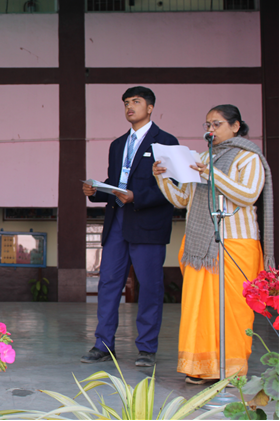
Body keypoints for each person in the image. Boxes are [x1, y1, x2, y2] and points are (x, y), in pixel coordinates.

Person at [153, 104, 275, 384]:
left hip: (236, 242)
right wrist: (162, 176)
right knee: (199, 309)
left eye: (216, 124)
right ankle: (200, 367)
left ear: (235, 126)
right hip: (200, 244)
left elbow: (247, 195)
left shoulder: (249, 157)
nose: (210, 130)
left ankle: (231, 369)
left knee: (233, 310)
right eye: (207, 125)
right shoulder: (202, 158)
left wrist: (209, 173)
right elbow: (183, 199)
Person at [81, 86, 179, 367]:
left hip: (148, 223)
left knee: (150, 286)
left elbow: (173, 187)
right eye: (126, 102)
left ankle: (146, 348)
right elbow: (117, 183)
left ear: (150, 108)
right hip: (117, 221)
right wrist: (96, 192)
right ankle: (103, 345)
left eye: (136, 102)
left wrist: (138, 197)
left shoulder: (166, 142)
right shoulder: (117, 145)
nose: (129, 107)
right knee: (108, 284)